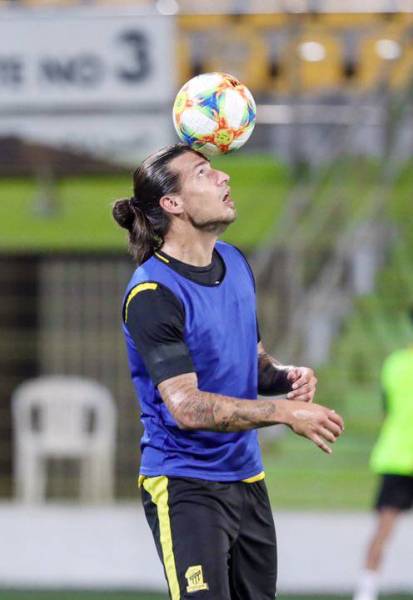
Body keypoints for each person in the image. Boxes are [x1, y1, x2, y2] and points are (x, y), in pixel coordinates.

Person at [112, 143, 344, 600]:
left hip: (247, 478)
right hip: (185, 484)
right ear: (172, 203)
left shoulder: (235, 262)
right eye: (203, 173)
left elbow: (252, 361)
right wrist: (283, 413)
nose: (224, 178)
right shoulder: (153, 293)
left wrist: (285, 375)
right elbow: (187, 407)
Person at [353, 341, 413, 600]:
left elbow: (387, 408)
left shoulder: (394, 363)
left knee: (383, 529)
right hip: (400, 456)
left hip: (395, 454)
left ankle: (366, 591)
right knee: (383, 530)